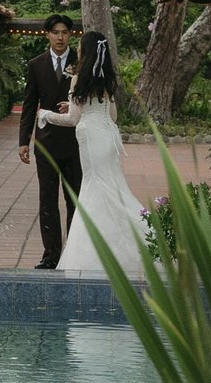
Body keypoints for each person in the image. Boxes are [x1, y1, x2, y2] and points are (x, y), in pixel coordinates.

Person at [37, 31, 148, 280]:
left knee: (93, 189)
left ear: (85, 51)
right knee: (114, 187)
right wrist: (80, 106)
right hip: (108, 137)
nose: (77, 49)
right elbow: (112, 115)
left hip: (89, 138)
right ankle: (133, 244)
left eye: (79, 46)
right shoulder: (106, 79)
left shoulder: (78, 79)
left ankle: (93, 255)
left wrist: (45, 114)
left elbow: (73, 119)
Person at [18, 16, 84, 269]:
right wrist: (23, 140)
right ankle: (51, 256)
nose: (60, 37)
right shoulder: (36, 64)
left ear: (71, 35)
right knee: (47, 199)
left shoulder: (80, 62)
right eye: (55, 32)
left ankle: (74, 254)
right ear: (46, 34)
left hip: (74, 141)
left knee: (74, 199)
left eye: (65, 33)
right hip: (45, 142)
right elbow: (29, 102)